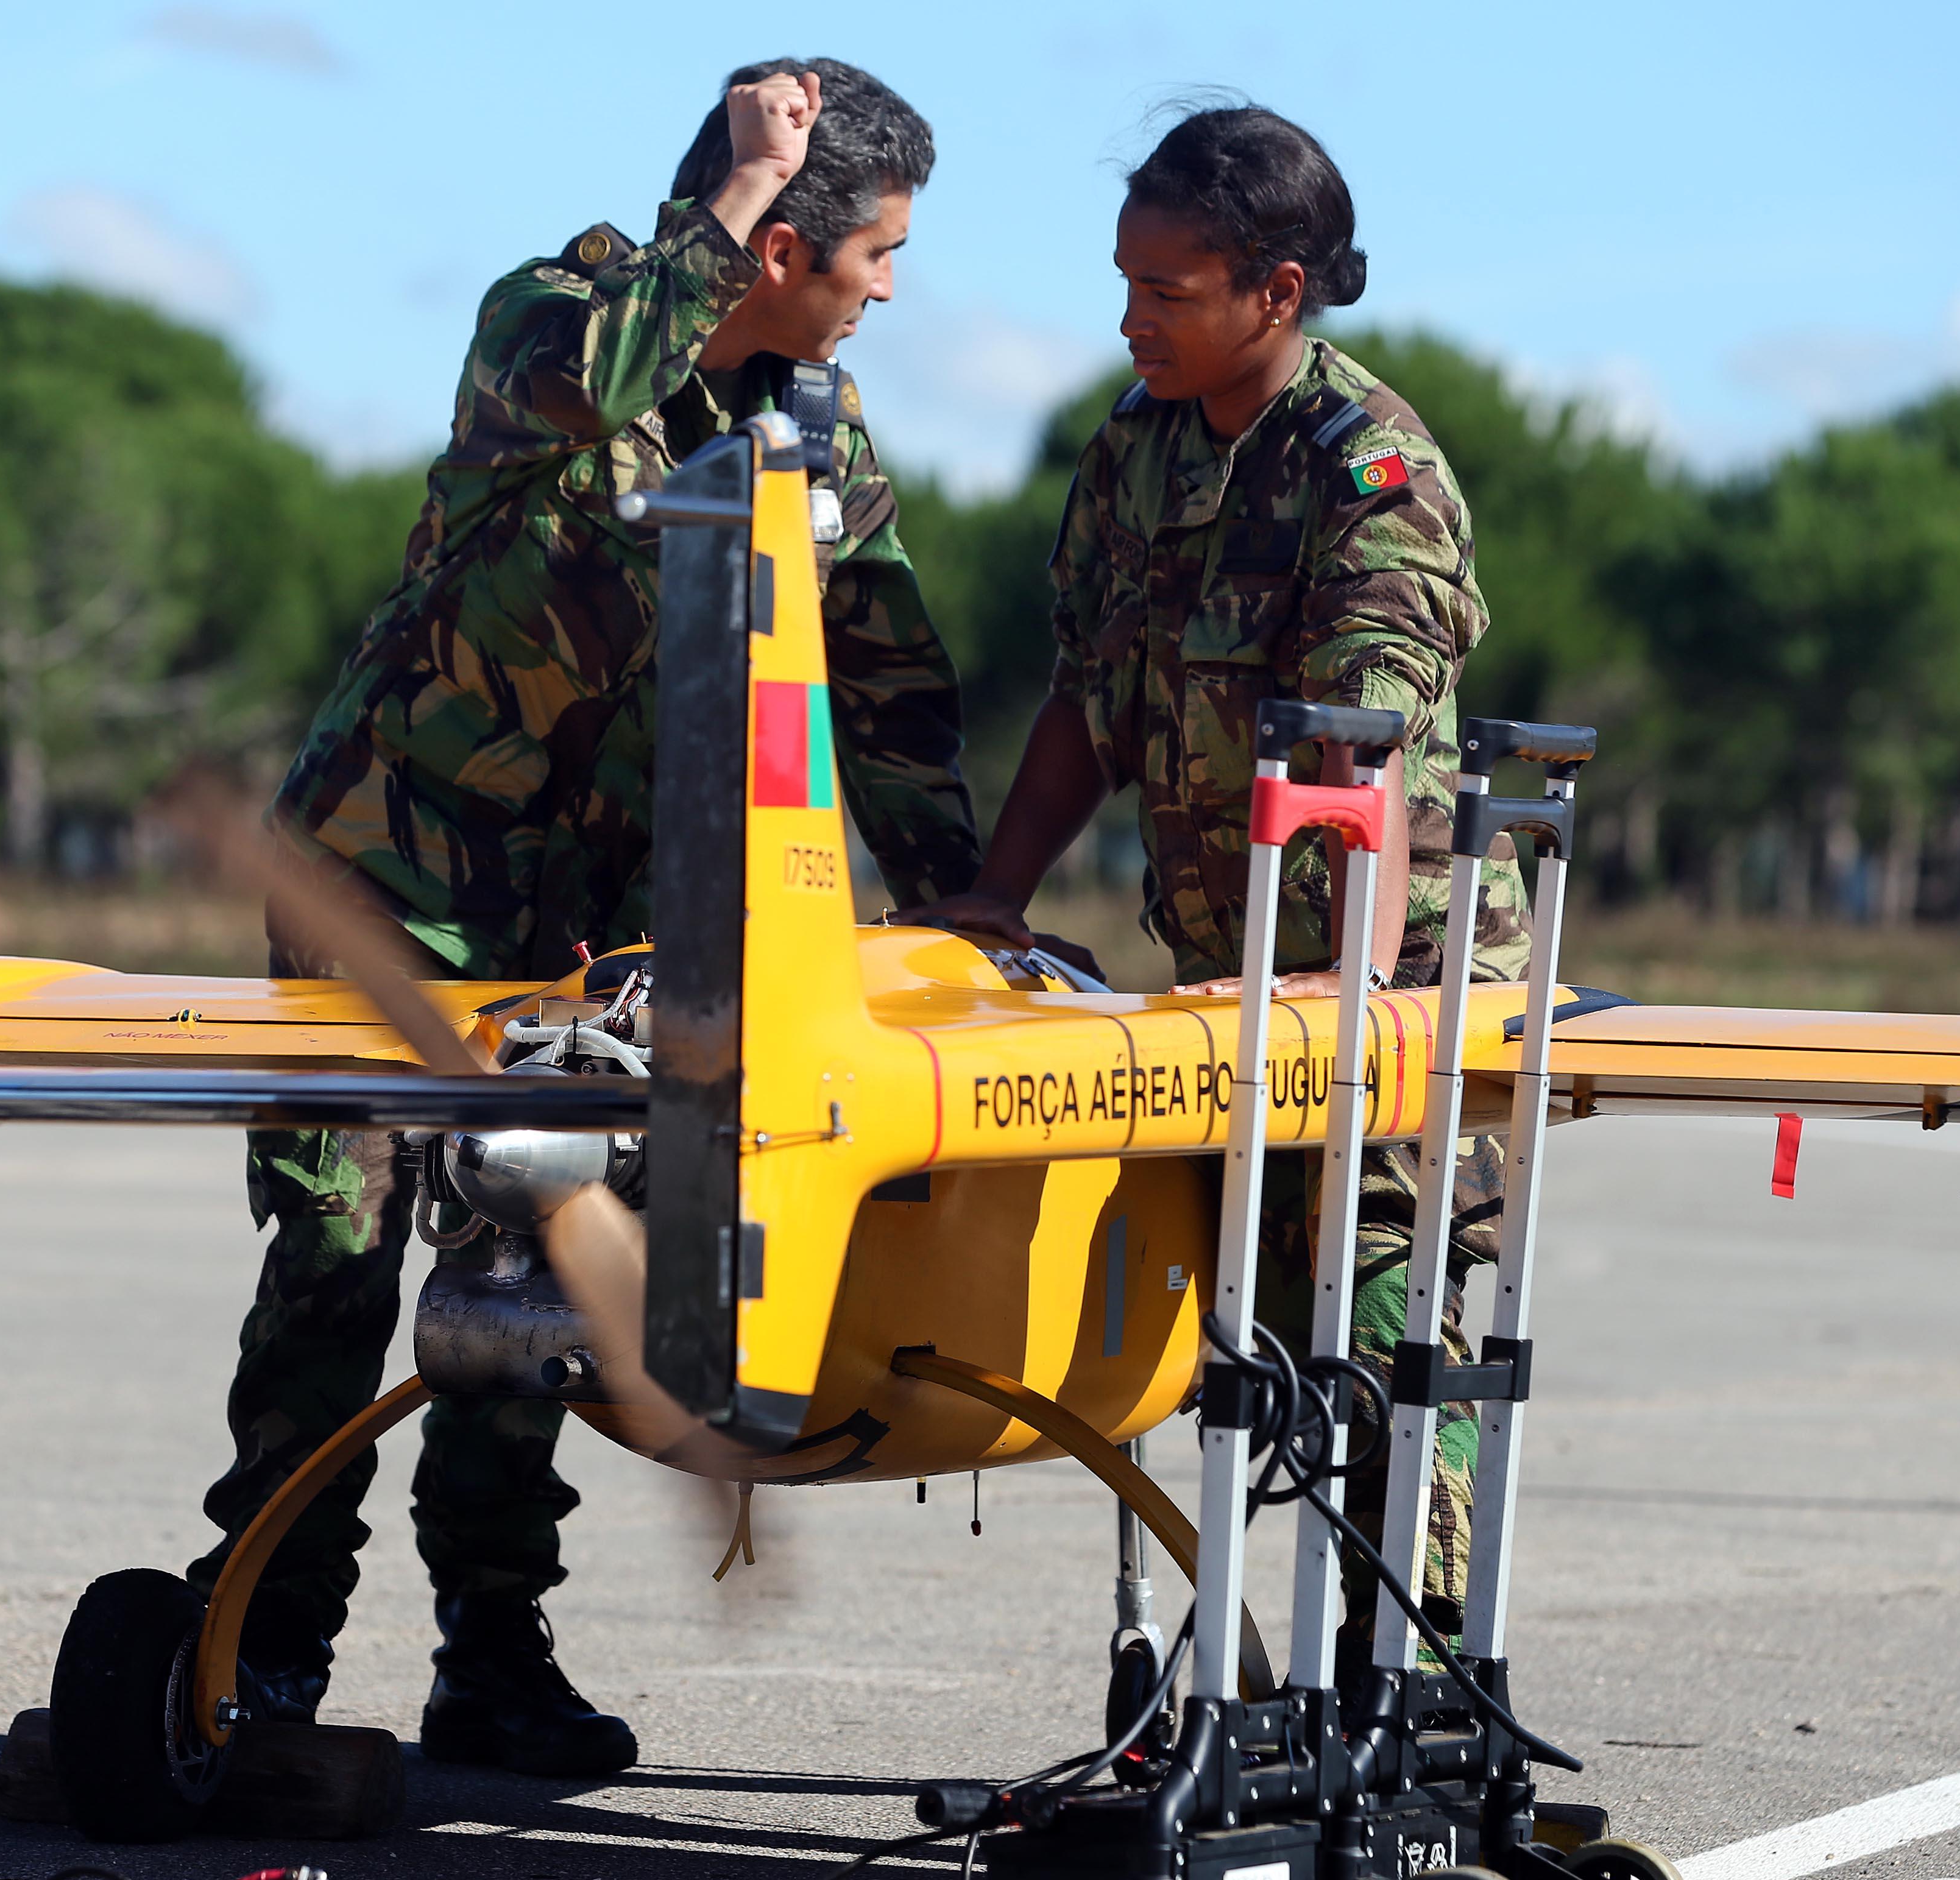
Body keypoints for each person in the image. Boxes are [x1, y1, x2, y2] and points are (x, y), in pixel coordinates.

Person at [192, 58, 984, 1778]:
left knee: (529, 1287)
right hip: (389, 888)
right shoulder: (552, 323)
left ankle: (491, 1657)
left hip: (597, 933)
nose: (890, 289)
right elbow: (609, 366)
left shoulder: (816, 431)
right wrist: (740, 192)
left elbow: (886, 676)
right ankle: (254, 1655)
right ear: (776, 246)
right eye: (874, 251)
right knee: (336, 1275)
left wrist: (964, 910)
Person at [902, 105, 1528, 1662]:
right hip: (1230, 973)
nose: (1133, 321)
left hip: (1393, 975)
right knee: (1236, 1318)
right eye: (1126, 285)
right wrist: (992, 893)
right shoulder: (1136, 448)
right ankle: (1251, 1662)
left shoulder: (1373, 470)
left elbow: (1363, 744)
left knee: (1373, 1307)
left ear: (1279, 287)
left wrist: (1361, 986)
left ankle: (1414, 1668)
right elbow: (1087, 696)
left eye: (1169, 292)